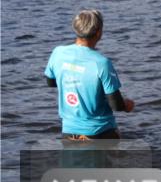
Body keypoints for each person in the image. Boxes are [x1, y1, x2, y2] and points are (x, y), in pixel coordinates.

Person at [44, 9, 134, 140]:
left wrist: (74, 82)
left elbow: (50, 82)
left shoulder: (58, 53)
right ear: (98, 32)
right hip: (100, 132)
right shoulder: (102, 63)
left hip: (69, 133)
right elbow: (117, 105)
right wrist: (127, 105)